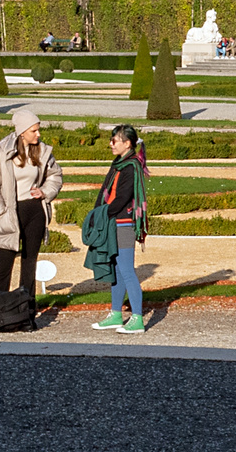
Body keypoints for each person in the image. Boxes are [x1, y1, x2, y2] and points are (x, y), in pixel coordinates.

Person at [0, 109, 62, 298]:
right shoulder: (2, 154)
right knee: (3, 265)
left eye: (38, 130)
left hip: (35, 212)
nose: (38, 134)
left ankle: (26, 311)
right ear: (22, 132)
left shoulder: (42, 151)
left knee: (29, 264)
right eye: (34, 130)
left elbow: (55, 175)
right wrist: (0, 212)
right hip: (11, 213)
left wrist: (45, 192)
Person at [86, 124, 150, 333]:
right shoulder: (120, 163)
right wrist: (98, 213)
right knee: (116, 269)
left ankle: (138, 319)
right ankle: (115, 315)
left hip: (123, 224)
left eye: (114, 141)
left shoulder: (131, 166)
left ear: (127, 143)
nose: (110, 144)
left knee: (127, 271)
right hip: (114, 222)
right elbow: (107, 191)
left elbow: (122, 198)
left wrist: (103, 213)